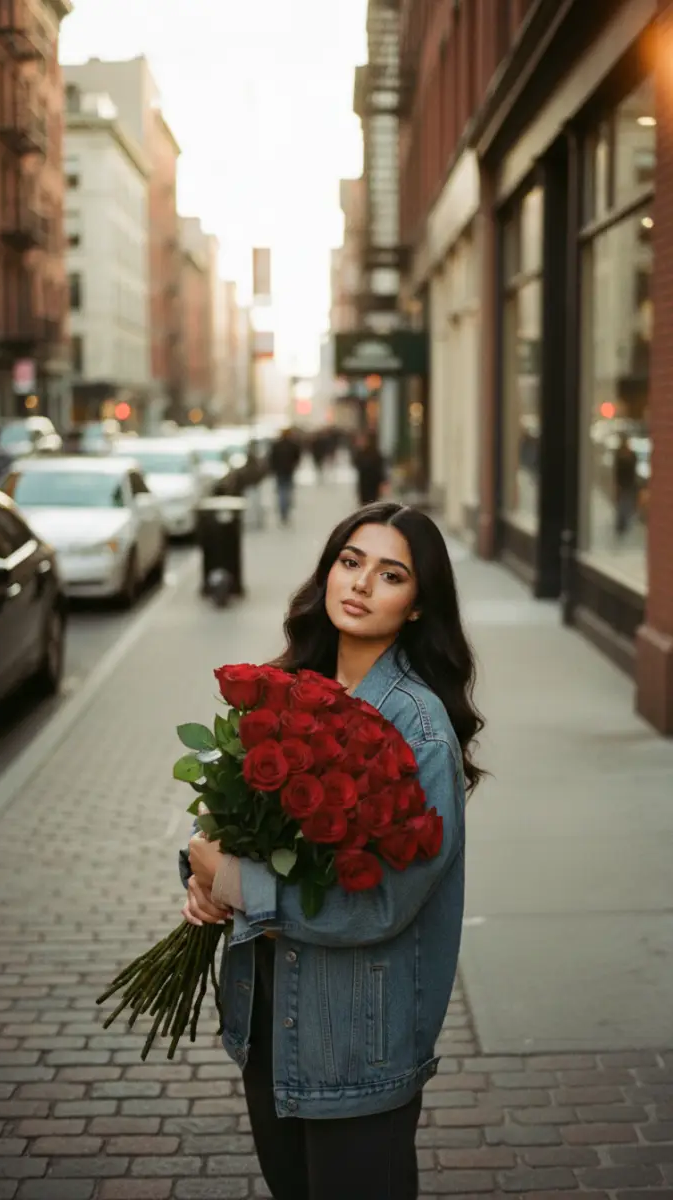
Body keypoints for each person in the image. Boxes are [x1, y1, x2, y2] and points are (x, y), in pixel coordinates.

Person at [183, 501, 484, 1200]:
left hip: (353, 1042)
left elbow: (382, 905)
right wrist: (202, 876)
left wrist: (235, 882)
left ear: (416, 605)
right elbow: (226, 825)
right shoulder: (289, 686)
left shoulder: (420, 733)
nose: (360, 584)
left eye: (391, 574)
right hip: (266, 1024)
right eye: (350, 562)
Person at [269, 427, 301, 525]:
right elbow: (297, 457)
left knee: (282, 492)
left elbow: (271, 458)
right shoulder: (293, 444)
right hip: (288, 471)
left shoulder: (276, 445)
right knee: (287, 491)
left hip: (280, 472)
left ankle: (283, 511)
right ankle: (286, 510)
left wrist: (273, 469)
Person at [352, 431, 387, 505]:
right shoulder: (361, 452)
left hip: (372, 483)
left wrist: (383, 482)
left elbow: (380, 469)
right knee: (367, 502)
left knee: (371, 502)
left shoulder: (375, 453)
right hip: (364, 483)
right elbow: (356, 464)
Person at [613, 433, 638, 537]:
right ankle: (621, 524)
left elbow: (634, 468)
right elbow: (617, 470)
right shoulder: (619, 454)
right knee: (622, 504)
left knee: (627, 504)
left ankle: (624, 523)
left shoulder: (631, 454)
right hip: (622, 483)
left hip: (629, 483)